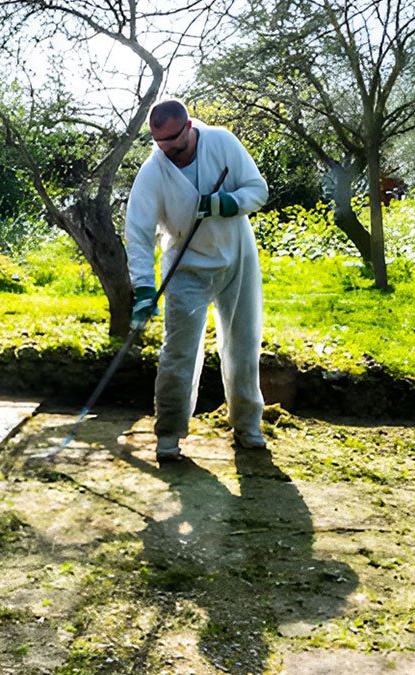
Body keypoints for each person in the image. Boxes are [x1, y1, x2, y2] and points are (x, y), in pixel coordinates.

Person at [124, 99, 269, 462]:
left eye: (174, 140)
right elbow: (138, 232)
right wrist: (143, 288)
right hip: (186, 266)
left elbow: (258, 190)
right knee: (179, 351)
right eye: (160, 143)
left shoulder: (222, 143)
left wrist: (227, 204)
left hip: (236, 256)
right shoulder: (154, 171)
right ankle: (169, 433)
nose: (168, 149)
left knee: (243, 344)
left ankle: (248, 425)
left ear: (189, 126)